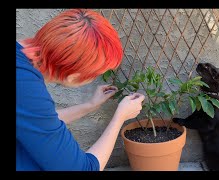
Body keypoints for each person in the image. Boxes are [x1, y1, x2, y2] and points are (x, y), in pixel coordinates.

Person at [16, 9, 145, 171]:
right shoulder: (26, 89)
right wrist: (119, 118)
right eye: (97, 73)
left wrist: (90, 105)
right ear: (73, 76)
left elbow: (37, 121)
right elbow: (84, 168)